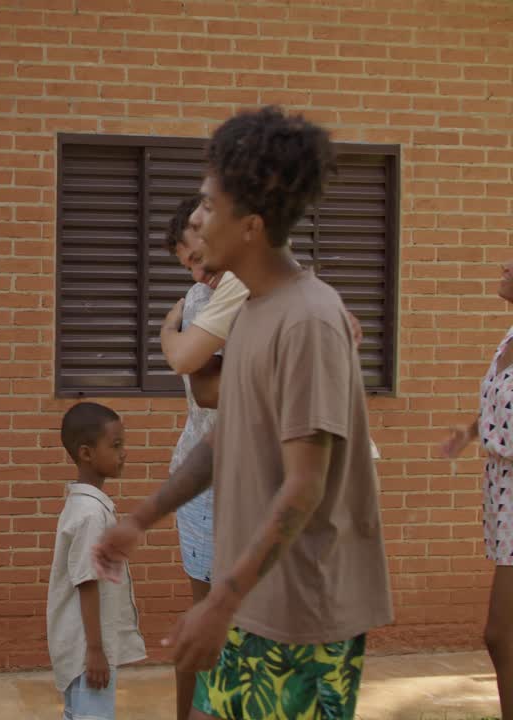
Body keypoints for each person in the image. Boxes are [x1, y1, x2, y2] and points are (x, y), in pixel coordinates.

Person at [94, 106, 392, 719]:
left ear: (251, 224)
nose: (196, 220)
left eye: (208, 205)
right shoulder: (254, 310)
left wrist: (220, 601)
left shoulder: (309, 320)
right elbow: (228, 438)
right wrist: (141, 518)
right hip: (255, 599)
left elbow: (304, 486)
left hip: (303, 615)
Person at [440, 258, 513, 720]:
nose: (505, 265)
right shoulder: (508, 338)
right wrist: (469, 433)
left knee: (500, 634)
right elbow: (498, 402)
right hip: (501, 496)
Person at [46, 402, 145, 720]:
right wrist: (95, 651)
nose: (123, 453)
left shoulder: (87, 506)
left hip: (84, 647)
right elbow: (86, 582)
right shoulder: (90, 515)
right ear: (86, 454)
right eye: (115, 445)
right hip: (87, 650)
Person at [162, 197, 220, 720]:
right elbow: (207, 391)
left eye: (200, 255)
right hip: (208, 481)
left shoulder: (255, 288)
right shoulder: (204, 297)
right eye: (188, 264)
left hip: (247, 477)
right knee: (210, 619)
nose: (198, 272)